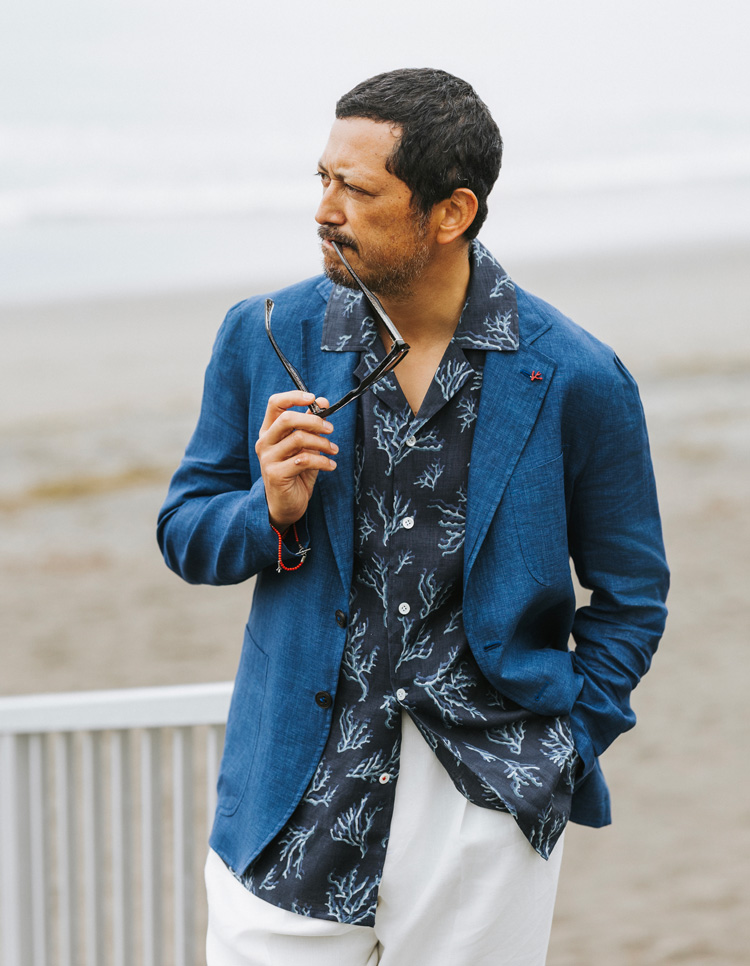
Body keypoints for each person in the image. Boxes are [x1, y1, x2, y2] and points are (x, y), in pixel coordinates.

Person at [157, 67, 669, 966]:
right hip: (288, 804)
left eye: (357, 190)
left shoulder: (578, 376)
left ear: (451, 212)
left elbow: (632, 596)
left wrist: (560, 749)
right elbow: (185, 531)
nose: (325, 210)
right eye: (322, 179)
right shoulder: (264, 333)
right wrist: (267, 509)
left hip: (485, 805)